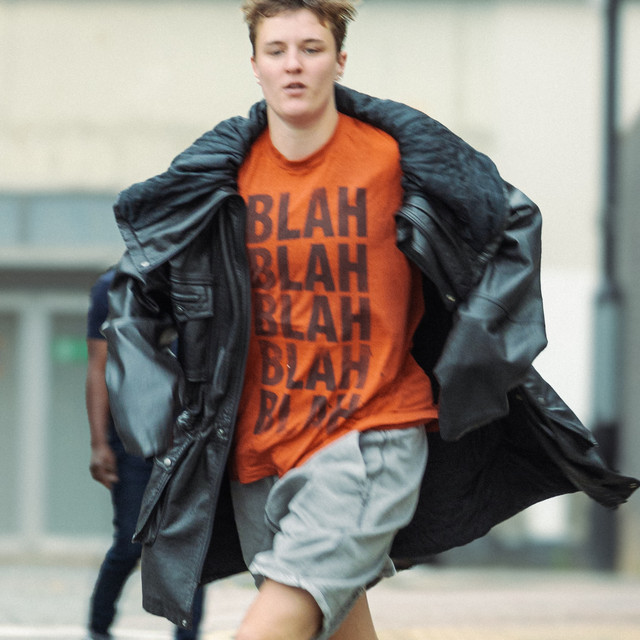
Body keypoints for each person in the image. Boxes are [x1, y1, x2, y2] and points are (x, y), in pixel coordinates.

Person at [102, 1, 639, 639]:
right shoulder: (221, 179)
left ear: (340, 60)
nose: (294, 65)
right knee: (331, 621)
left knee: (276, 618)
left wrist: (479, 350)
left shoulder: (399, 159)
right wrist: (143, 384)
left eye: (311, 49)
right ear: (255, 64)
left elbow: (508, 224)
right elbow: (140, 283)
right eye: (277, 51)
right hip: (258, 451)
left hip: (369, 435)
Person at [85, 269, 205, 640]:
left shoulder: (197, 278)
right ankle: (98, 629)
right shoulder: (112, 288)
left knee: (189, 543)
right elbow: (99, 367)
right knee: (129, 543)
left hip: (189, 434)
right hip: (132, 435)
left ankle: (187, 636)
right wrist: (99, 443)